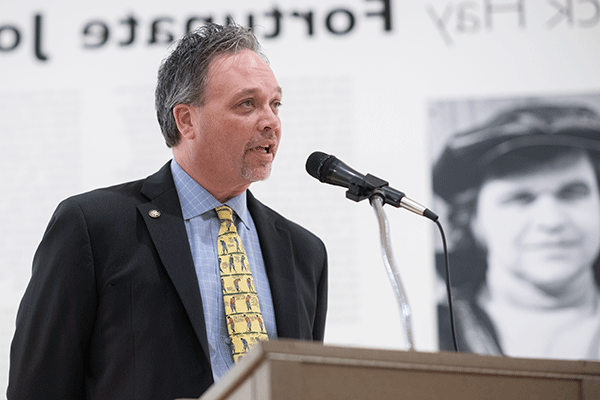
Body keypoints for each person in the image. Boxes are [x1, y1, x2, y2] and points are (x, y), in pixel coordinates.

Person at [8, 23, 328, 399]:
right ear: (186, 120)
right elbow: (39, 387)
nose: (271, 121)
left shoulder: (305, 252)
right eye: (247, 104)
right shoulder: (93, 226)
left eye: (275, 104)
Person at [433, 103, 600, 360]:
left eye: (572, 193)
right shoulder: (434, 334)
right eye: (521, 199)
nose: (552, 221)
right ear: (472, 219)